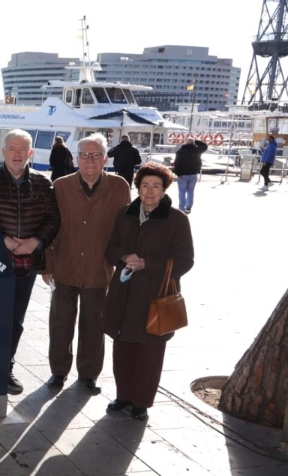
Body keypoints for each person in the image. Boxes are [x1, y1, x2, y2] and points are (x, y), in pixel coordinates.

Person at [103, 162, 194, 421]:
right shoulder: (125, 214)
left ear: (164, 189)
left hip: (155, 295)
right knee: (123, 348)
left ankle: (141, 402)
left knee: (149, 352)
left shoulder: (177, 220)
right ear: (138, 188)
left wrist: (147, 264)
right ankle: (123, 396)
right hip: (124, 292)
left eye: (156, 186)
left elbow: (185, 261)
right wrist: (123, 256)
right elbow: (110, 249)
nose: (150, 191)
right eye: (145, 186)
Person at [41, 134, 130, 393]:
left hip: (99, 269)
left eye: (96, 155)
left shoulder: (120, 186)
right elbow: (49, 226)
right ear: (76, 157)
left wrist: (123, 261)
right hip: (64, 266)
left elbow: (124, 230)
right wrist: (47, 265)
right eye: (84, 154)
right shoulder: (60, 185)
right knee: (60, 323)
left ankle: (88, 374)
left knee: (94, 324)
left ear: (105, 158)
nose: (90, 160)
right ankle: (58, 372)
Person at [0, 129, 60, 395]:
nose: (17, 154)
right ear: (3, 151)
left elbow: (53, 220)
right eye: (12, 148)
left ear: (31, 153)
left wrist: (36, 242)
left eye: (23, 149)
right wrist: (2, 240)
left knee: (16, 320)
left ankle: (5, 366)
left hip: (27, 264)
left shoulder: (43, 183)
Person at [172, 137, 207, 213]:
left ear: (185, 143)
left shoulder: (180, 151)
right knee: (190, 191)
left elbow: (177, 163)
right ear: (193, 143)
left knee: (182, 191)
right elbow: (205, 146)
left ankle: (181, 207)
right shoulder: (197, 151)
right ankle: (188, 207)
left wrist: (177, 173)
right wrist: (197, 142)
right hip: (193, 174)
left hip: (182, 175)